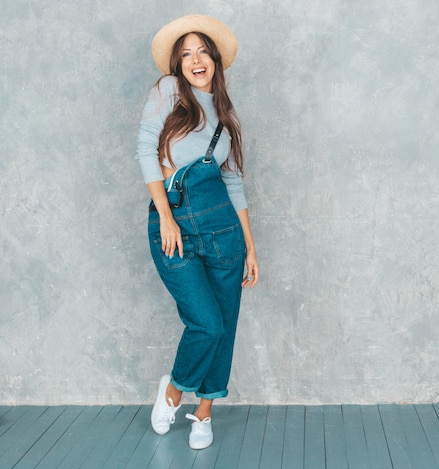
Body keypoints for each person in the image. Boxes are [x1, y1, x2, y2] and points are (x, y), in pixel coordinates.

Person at [135, 14, 258, 450]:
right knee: (205, 323)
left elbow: (233, 180)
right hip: (175, 229)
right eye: (185, 54)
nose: (195, 60)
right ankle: (174, 390)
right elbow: (146, 149)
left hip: (223, 230)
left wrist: (250, 245)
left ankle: (204, 412)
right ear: (178, 64)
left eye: (202, 51)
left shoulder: (225, 114)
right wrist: (166, 217)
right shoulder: (166, 92)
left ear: (215, 60)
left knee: (223, 324)